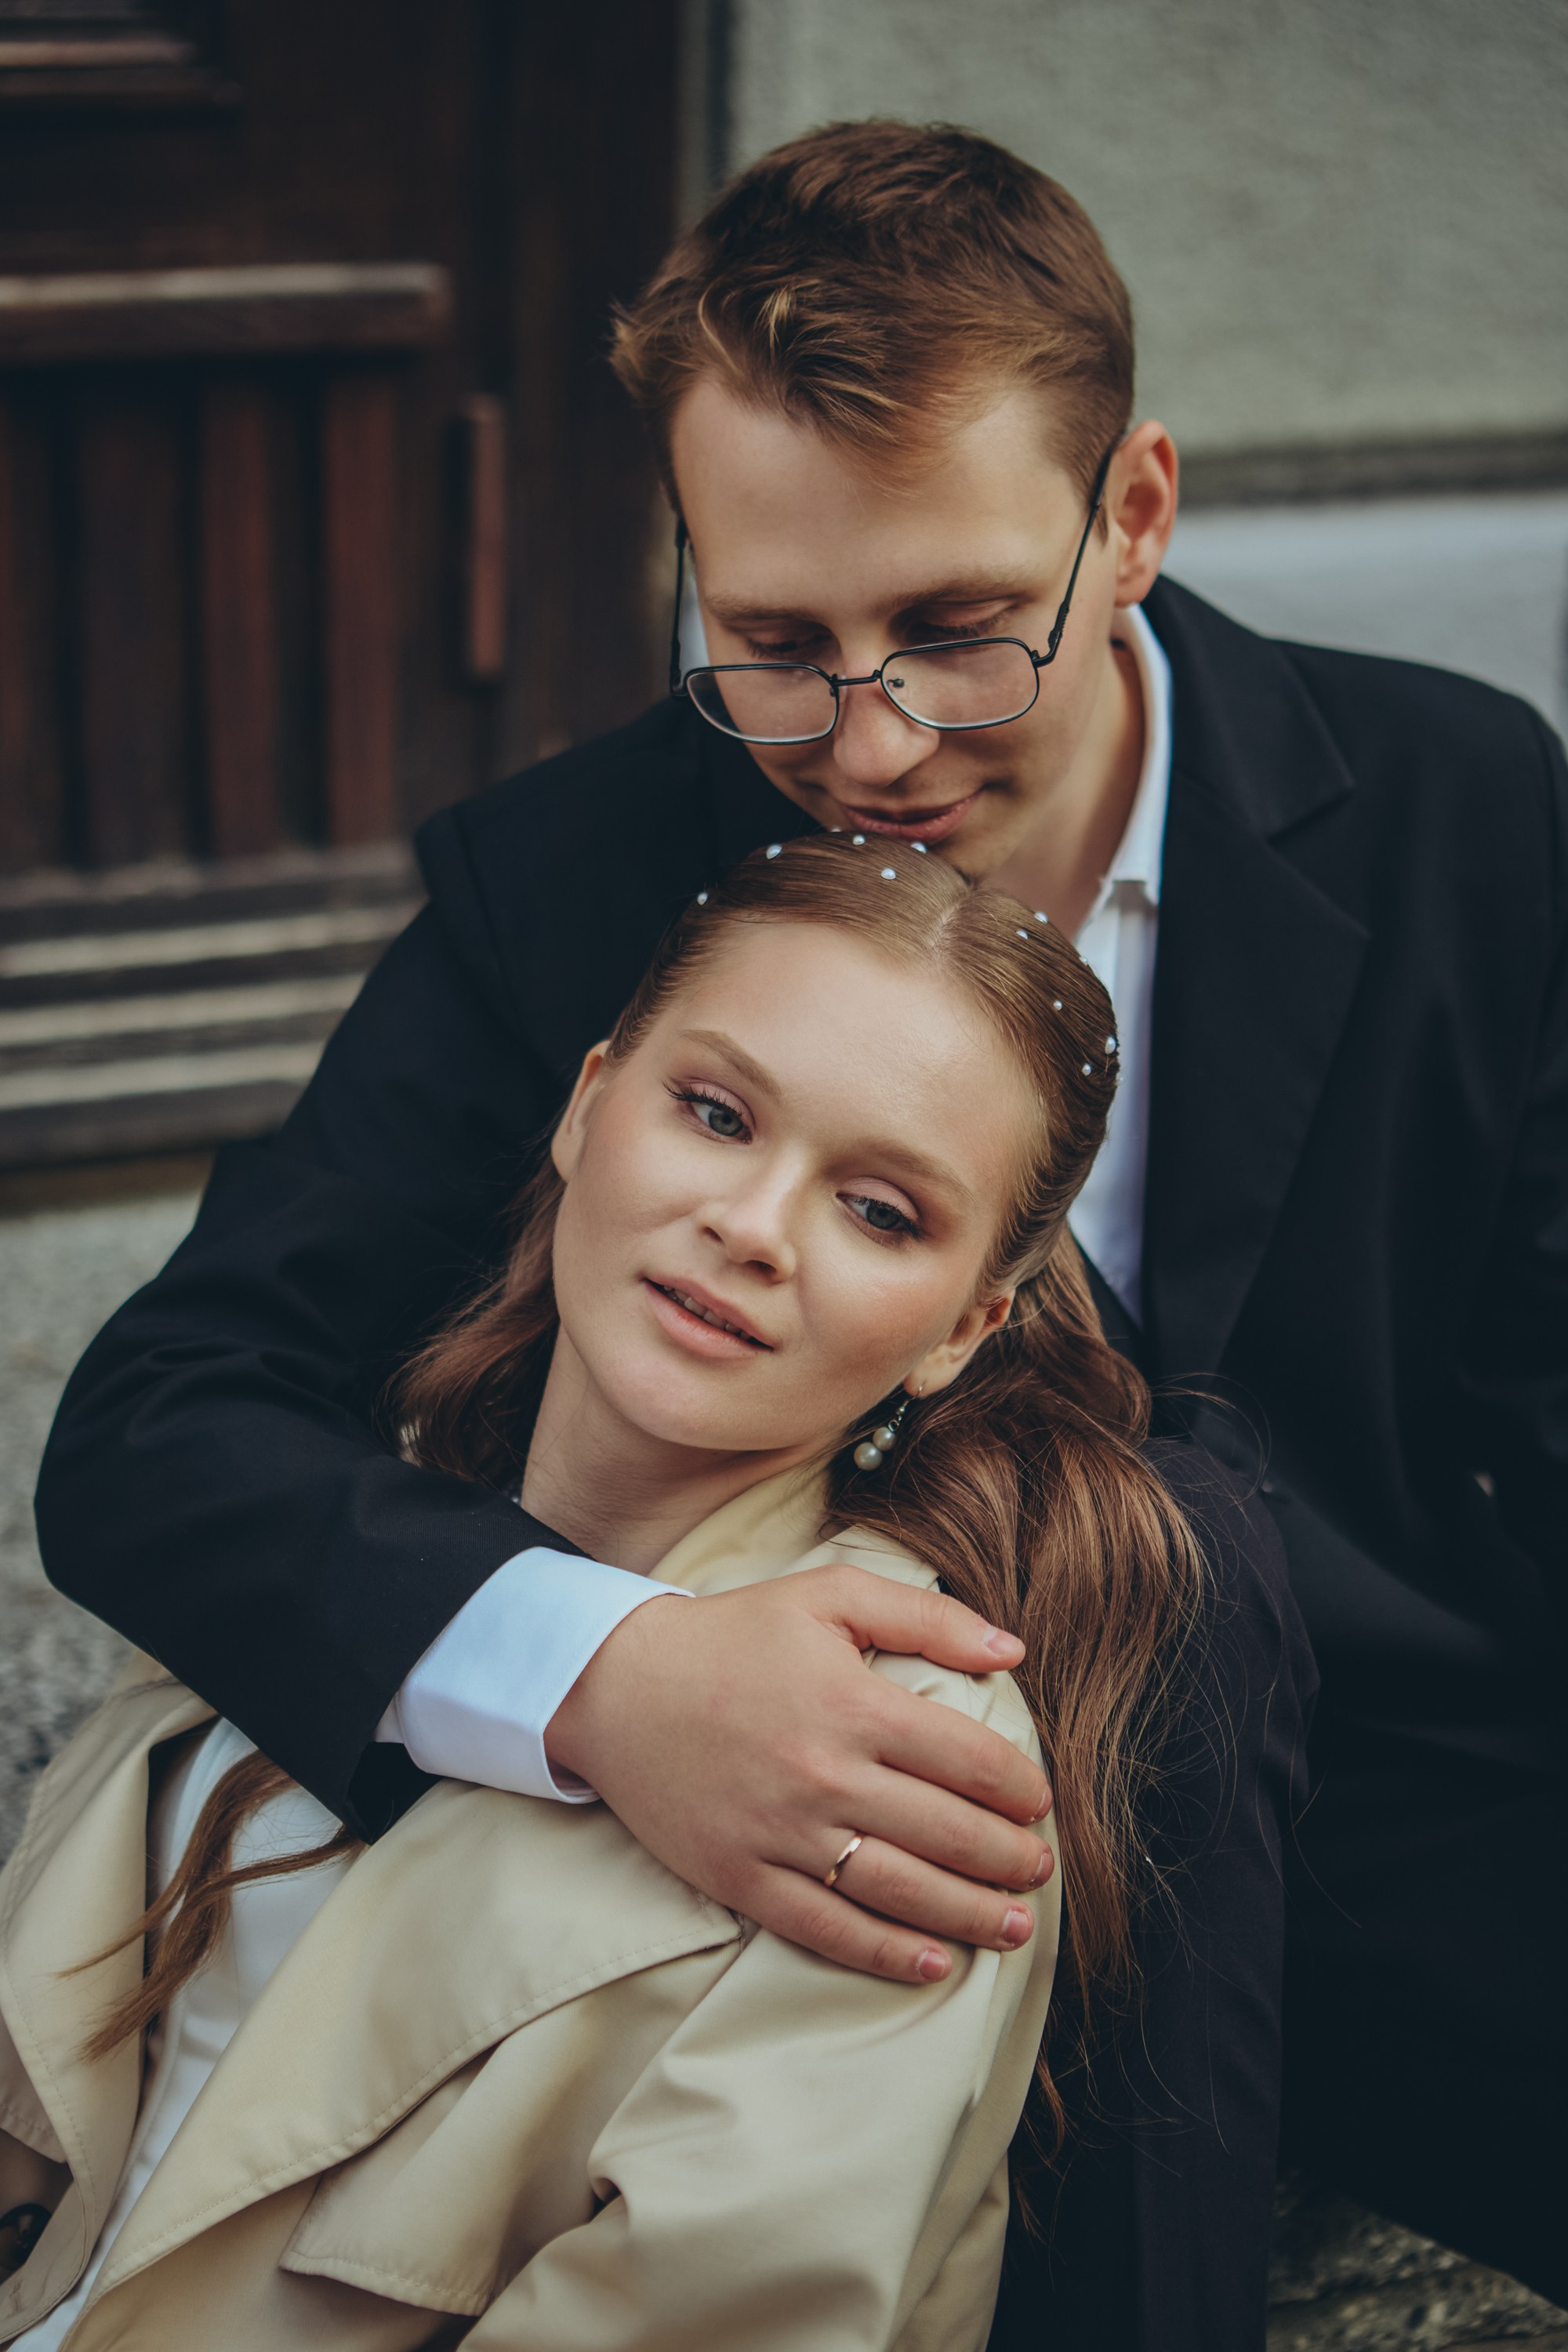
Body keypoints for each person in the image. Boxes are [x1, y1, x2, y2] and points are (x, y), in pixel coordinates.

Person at [32, 117, 1565, 2347]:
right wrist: (613, 1679)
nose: (864, 743)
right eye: (772, 643)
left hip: (1401, 1808)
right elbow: (162, 1424)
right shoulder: (559, 880)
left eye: (956, 632)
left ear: (1132, 514)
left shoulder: (1460, 804)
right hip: (806, 1825)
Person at [3, 838, 1235, 2351]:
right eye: (715, 1115)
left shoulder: (901, 1753)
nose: (754, 1227)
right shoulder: (330, 1508)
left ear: (964, 1328)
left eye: (882, 1212)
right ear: (590, 1106)